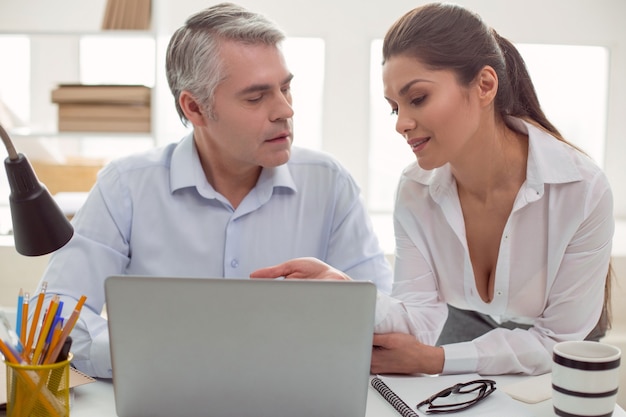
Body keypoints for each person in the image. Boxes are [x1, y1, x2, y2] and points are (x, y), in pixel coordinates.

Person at [251, 2, 614, 376]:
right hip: (463, 335)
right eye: (395, 108)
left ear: (485, 85)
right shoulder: (415, 190)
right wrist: (346, 293)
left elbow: (558, 340)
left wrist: (437, 360)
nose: (402, 124)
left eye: (418, 98)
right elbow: (419, 319)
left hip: (565, 360)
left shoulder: (580, 189)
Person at [32, 2, 392, 378]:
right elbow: (53, 318)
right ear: (195, 108)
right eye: (256, 97)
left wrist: (348, 306)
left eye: (286, 88)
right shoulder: (126, 186)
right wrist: (152, 352)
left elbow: (385, 316)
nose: (285, 109)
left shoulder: (329, 183)